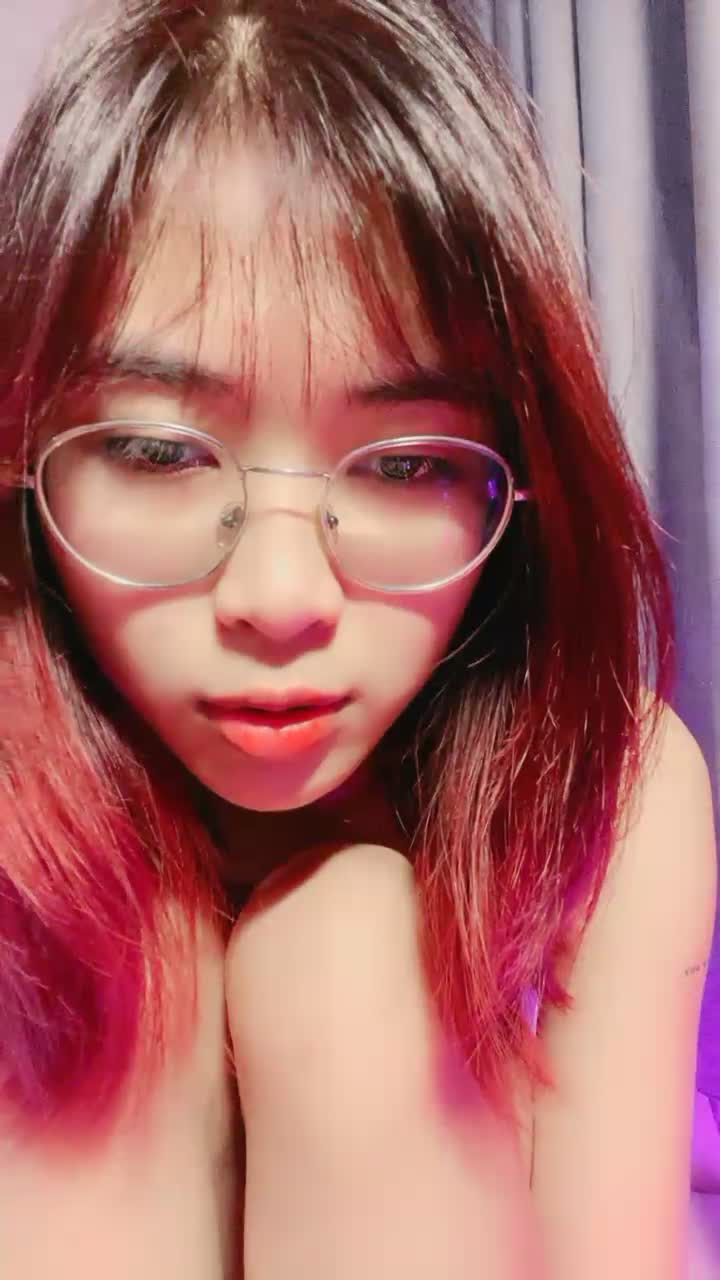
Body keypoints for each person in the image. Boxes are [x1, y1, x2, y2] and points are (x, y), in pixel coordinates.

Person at [0, 0, 716, 1276]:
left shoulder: (604, 791)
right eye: (158, 450)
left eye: (404, 462)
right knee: (133, 974)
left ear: (521, 472)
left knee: (344, 952)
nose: (281, 597)